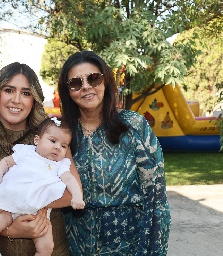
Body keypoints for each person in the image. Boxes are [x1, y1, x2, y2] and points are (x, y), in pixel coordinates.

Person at [0, 62, 80, 256]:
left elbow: (72, 194)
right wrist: (10, 229)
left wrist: (26, 200)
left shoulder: (53, 141)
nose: (16, 100)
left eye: (25, 93)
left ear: (34, 100)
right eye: (9, 90)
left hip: (50, 247)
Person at [57, 51, 171, 255]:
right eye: (75, 83)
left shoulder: (133, 126)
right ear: (68, 91)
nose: (86, 87)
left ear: (106, 81)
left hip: (129, 246)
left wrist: (155, 250)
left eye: (93, 78)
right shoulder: (59, 133)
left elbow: (156, 199)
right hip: (74, 247)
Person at [0, 117, 85, 256]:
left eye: (64, 146)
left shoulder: (60, 165)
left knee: (47, 247)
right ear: (37, 140)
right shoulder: (25, 152)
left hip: (37, 215)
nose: (57, 147)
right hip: (10, 207)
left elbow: (70, 179)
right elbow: (6, 162)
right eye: (52, 141)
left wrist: (77, 197)